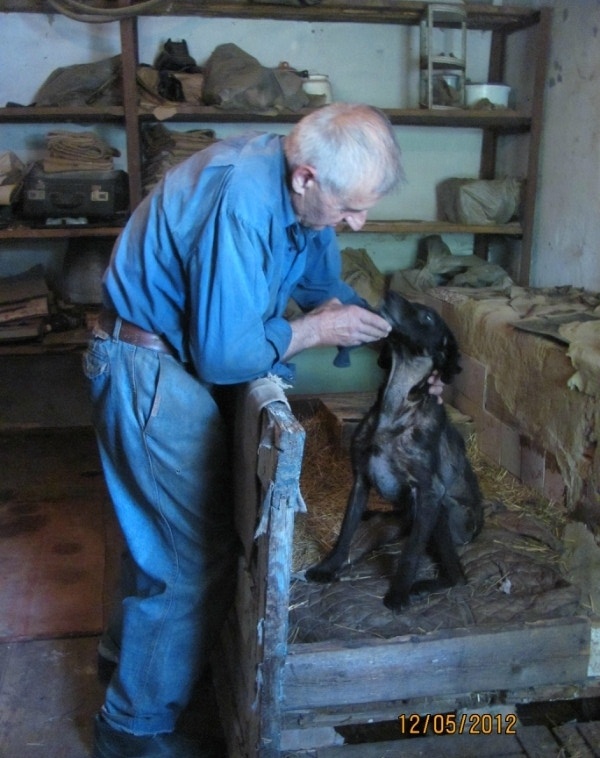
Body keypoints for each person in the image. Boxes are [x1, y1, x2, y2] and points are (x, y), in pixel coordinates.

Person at [85, 102, 438, 758]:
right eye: (350, 207)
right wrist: (311, 332)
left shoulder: (302, 199)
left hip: (175, 360)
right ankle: (130, 730)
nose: (358, 222)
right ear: (306, 177)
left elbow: (323, 285)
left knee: (161, 533)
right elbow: (224, 353)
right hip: (147, 365)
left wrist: (392, 340)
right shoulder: (244, 200)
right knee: (192, 552)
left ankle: (123, 664)